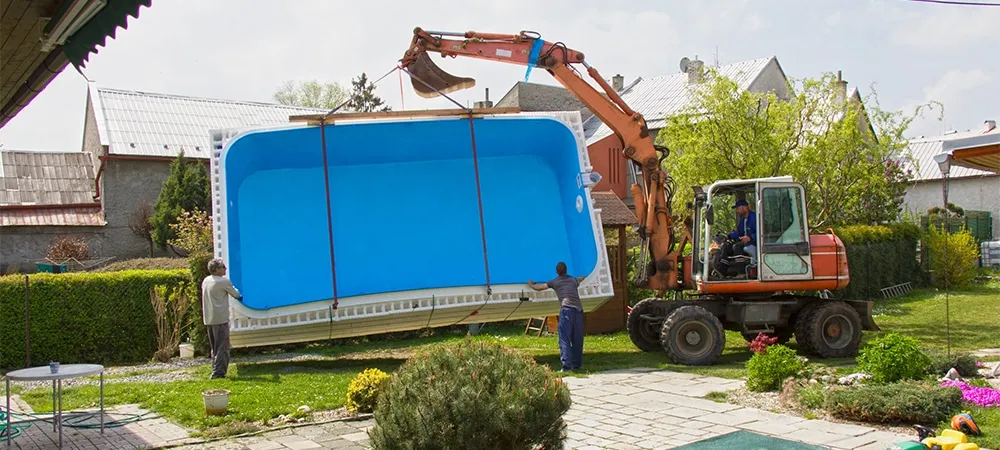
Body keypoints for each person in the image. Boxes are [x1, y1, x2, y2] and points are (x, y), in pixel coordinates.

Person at [528, 262, 586, 372]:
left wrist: (531, 284)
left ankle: (566, 366)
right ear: (566, 270)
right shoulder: (573, 280)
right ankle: (576, 364)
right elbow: (579, 280)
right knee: (577, 338)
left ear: (557, 272)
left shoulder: (555, 282)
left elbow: (540, 288)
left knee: (564, 338)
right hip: (578, 310)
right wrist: (585, 276)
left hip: (567, 310)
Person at [201, 258, 243, 379]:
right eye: (223, 267)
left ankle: (215, 368)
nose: (225, 268)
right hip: (220, 318)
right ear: (217, 269)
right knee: (223, 347)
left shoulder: (206, 280)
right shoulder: (223, 281)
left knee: (215, 346)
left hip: (209, 318)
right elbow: (236, 294)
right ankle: (218, 373)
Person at [715, 199, 758, 277]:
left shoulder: (754, 218)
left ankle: (741, 273)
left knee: (737, 247)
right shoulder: (743, 219)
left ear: (744, 207)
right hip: (743, 242)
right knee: (726, 246)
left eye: (738, 208)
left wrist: (750, 237)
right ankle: (722, 272)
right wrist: (728, 236)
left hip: (753, 243)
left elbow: (761, 231)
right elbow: (738, 232)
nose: (737, 211)